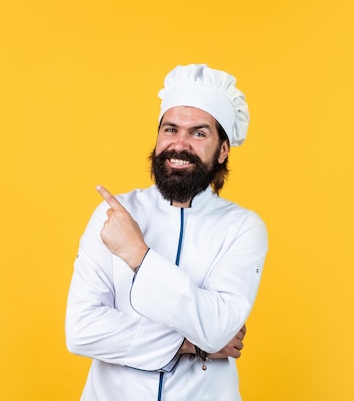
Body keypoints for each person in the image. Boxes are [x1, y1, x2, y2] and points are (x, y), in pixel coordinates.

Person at [65, 64, 268, 400]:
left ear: (223, 150)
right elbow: (82, 331)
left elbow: (217, 329)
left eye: (199, 133)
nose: (180, 144)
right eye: (170, 129)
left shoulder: (242, 227)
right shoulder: (114, 214)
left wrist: (138, 255)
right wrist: (190, 344)